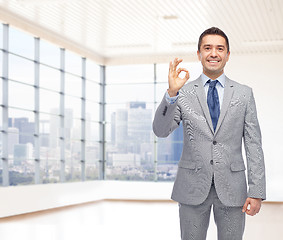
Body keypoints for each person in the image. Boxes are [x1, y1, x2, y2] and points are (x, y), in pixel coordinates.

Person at [152, 27, 266, 240]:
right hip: (192, 186)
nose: (214, 53)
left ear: (227, 55)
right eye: (207, 48)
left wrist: (256, 191)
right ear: (199, 54)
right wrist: (172, 93)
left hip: (233, 188)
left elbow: (253, 145)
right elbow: (160, 130)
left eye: (220, 48)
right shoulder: (183, 92)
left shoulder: (244, 94)